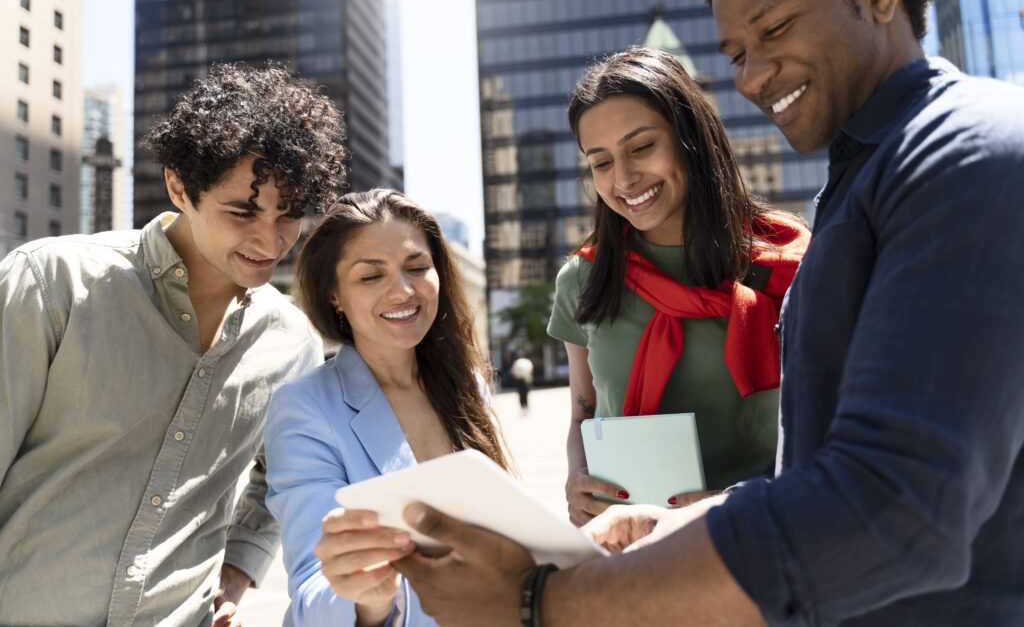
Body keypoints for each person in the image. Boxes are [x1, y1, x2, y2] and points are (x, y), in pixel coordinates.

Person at [389, 0, 1024, 625]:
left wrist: (542, 601)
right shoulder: (861, 180)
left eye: (774, 29)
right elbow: (822, 461)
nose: (752, 76)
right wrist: (676, 525)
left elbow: (893, 507)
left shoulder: (964, 157)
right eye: (735, 52)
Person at [0, 63, 347, 626]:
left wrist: (240, 570)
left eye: (289, 217)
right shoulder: (51, 282)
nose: (270, 240)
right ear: (179, 187)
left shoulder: (292, 344)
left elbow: (276, 480)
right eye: (242, 211)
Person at [548, 47, 808, 526]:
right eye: (600, 162)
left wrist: (731, 501)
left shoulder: (789, 263)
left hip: (769, 535)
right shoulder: (582, 280)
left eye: (642, 147)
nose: (623, 179)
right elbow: (583, 416)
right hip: (635, 551)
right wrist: (577, 478)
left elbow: (834, 417)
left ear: (691, 139)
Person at [263, 189, 510, 626]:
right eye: (370, 276)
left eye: (417, 267)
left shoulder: (468, 385)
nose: (403, 291)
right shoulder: (303, 410)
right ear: (335, 295)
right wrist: (367, 599)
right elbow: (311, 592)